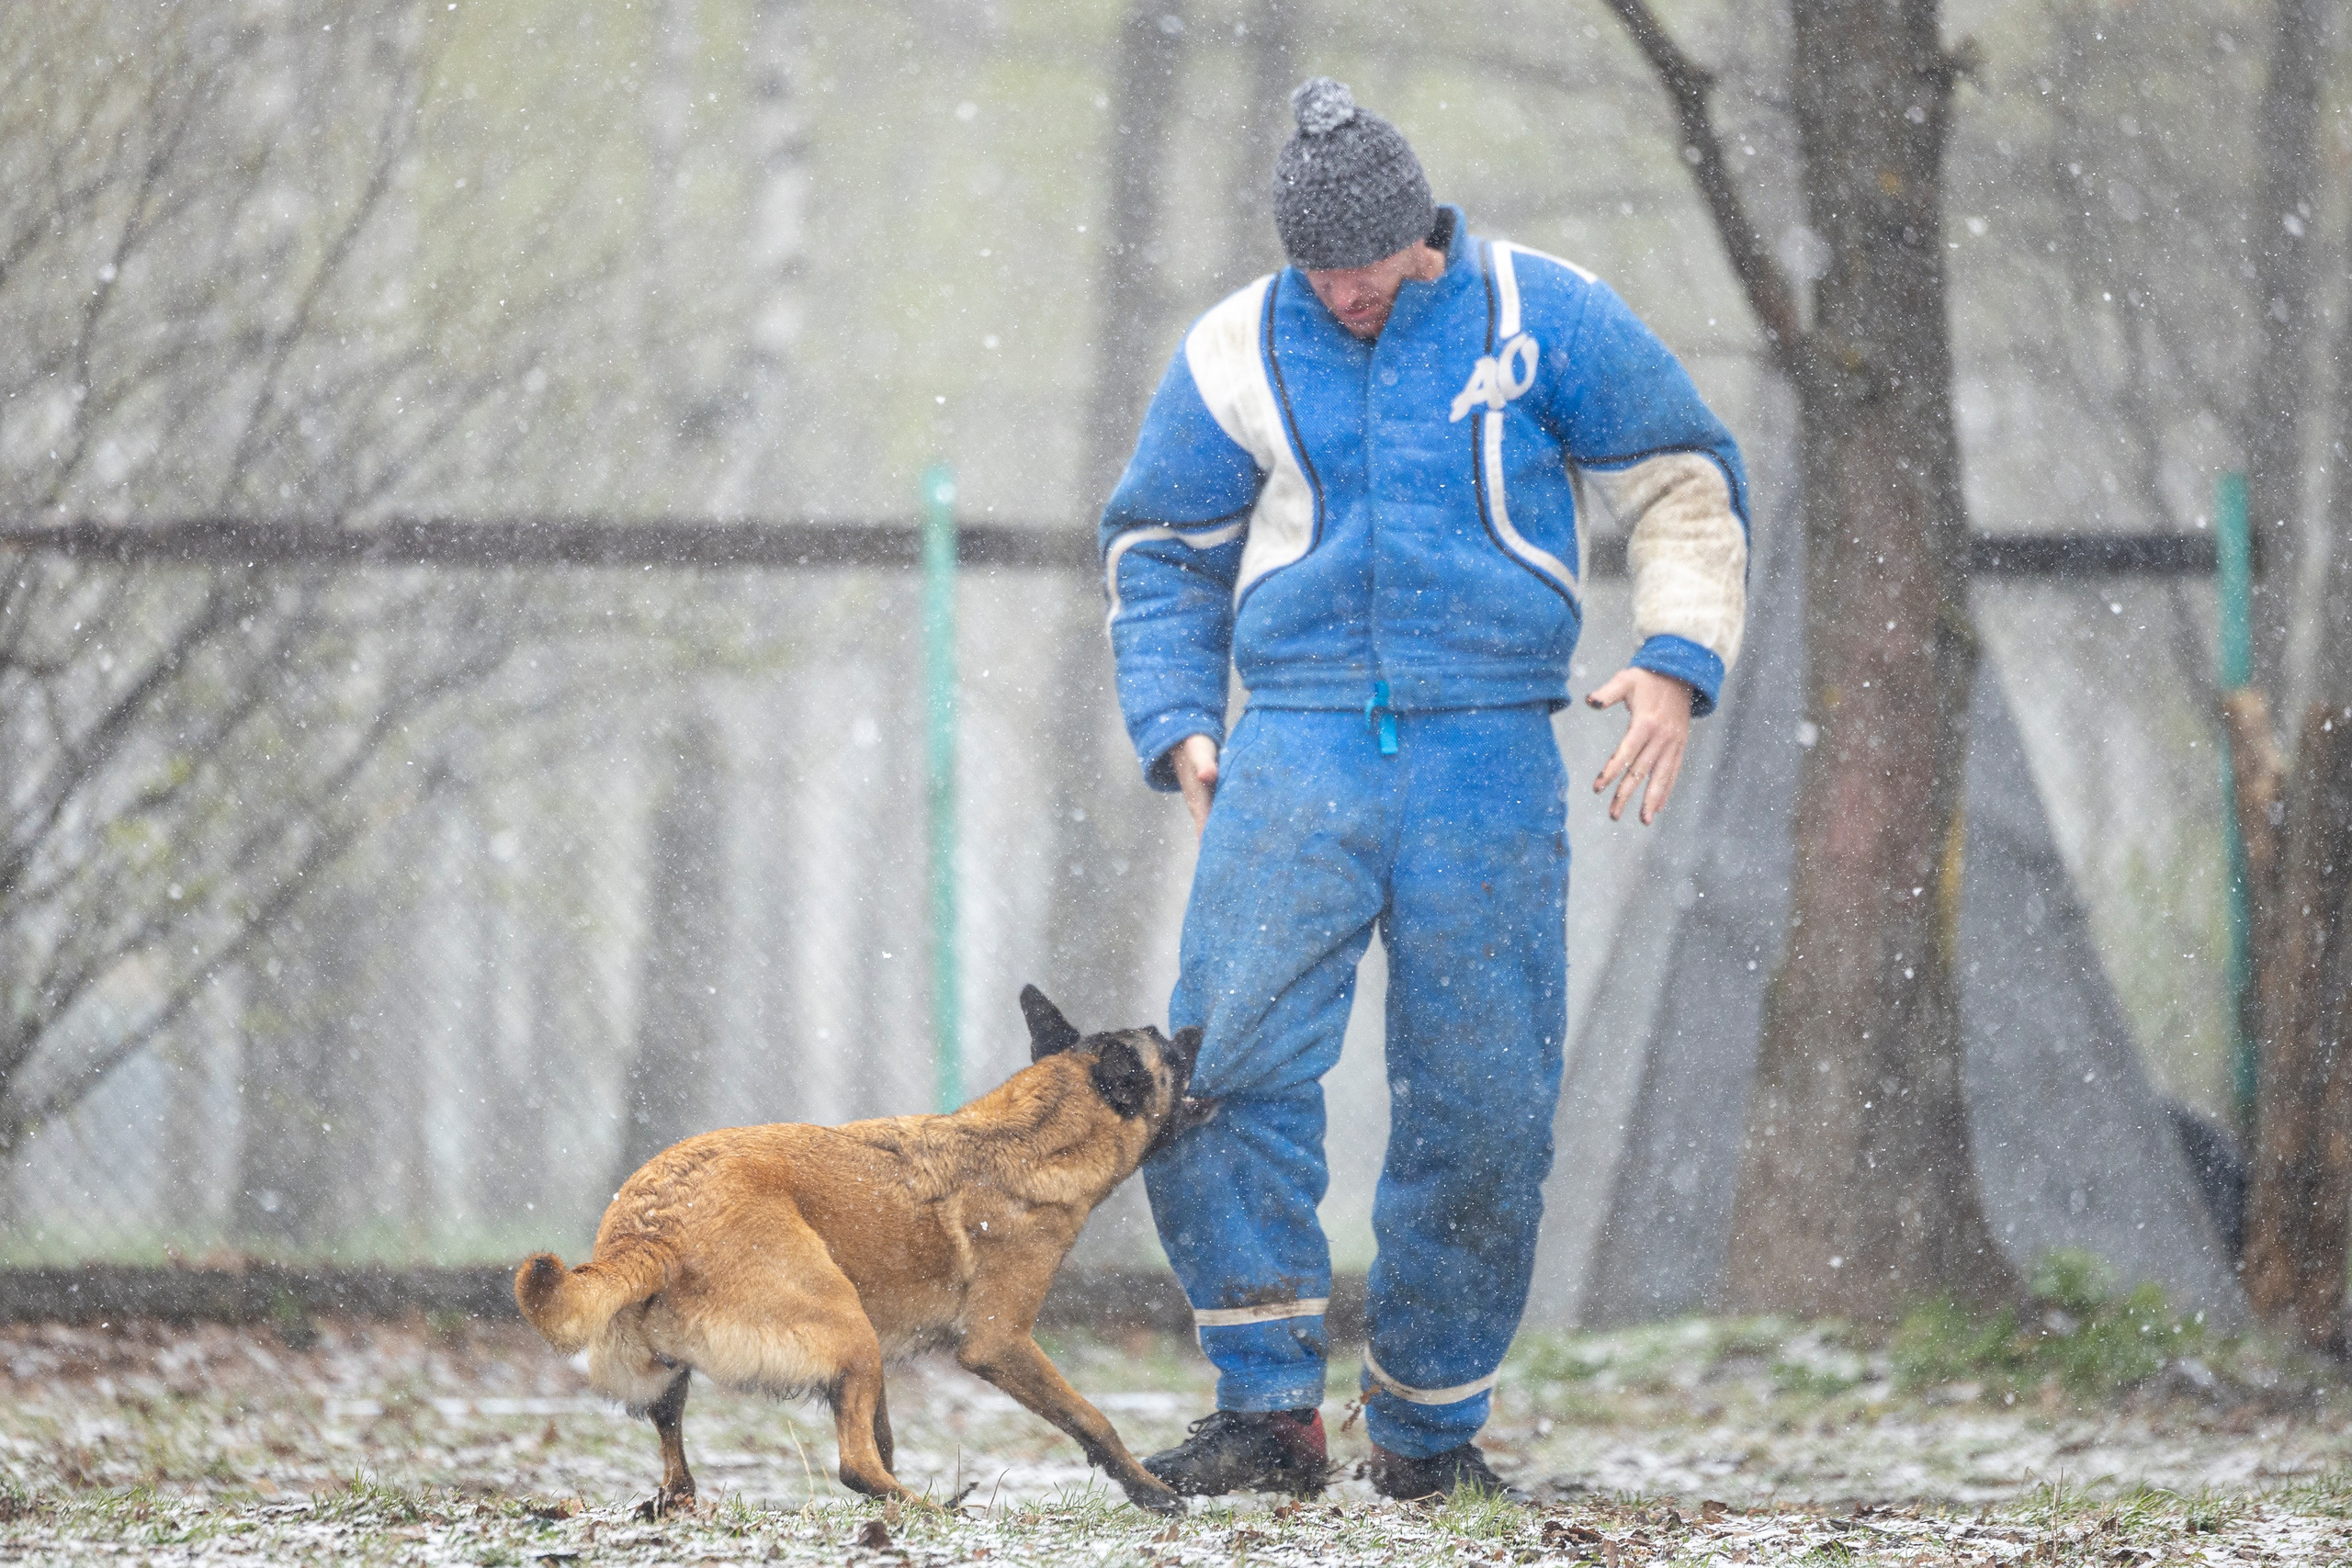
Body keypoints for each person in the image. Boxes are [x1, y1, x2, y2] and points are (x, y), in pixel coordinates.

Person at [1099, 76, 1748, 1501]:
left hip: (1489, 750)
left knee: (1486, 1098)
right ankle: (1266, 1414)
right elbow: (1158, 552)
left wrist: (1675, 658)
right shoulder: (1233, 346)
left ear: (1422, 233)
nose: (1342, 294)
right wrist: (1180, 721)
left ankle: (1428, 1428)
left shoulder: (1545, 314)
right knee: (1220, 1074)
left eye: (1366, 266)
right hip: (1295, 746)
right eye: (1316, 269)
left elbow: (1683, 481)